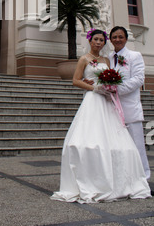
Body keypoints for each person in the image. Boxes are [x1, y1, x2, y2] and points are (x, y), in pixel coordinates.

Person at [51, 29, 151, 203]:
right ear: (90, 40)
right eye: (96, 39)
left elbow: (126, 79)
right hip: (94, 99)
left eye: (101, 40)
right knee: (92, 138)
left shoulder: (109, 59)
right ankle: (95, 177)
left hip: (112, 102)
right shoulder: (84, 59)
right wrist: (94, 87)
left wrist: (111, 87)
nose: (98, 42)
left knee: (126, 144)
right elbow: (76, 80)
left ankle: (137, 179)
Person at [109, 26, 151, 182]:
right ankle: (124, 177)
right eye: (114, 37)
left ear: (126, 39)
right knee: (119, 146)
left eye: (120, 37)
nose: (117, 40)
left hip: (130, 108)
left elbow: (139, 79)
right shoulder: (108, 57)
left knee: (137, 146)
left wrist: (116, 89)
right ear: (111, 39)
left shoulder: (135, 56)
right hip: (112, 109)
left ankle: (144, 178)